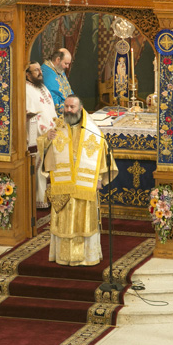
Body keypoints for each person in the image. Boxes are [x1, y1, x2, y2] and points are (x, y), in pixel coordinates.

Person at [41, 95, 117, 266]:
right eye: (66, 107)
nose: (68, 110)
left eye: (72, 107)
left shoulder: (92, 131)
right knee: (64, 220)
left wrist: (98, 179)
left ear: (80, 108)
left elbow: (101, 156)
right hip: (63, 184)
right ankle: (63, 256)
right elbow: (44, 148)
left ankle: (86, 257)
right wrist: (47, 139)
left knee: (84, 221)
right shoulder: (57, 128)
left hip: (85, 185)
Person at [25, 61, 57, 209]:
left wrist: (56, 126)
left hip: (52, 131)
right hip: (36, 135)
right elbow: (29, 115)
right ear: (27, 74)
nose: (40, 72)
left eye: (40, 70)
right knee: (39, 166)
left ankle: (50, 196)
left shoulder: (42, 86)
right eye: (36, 70)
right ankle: (40, 199)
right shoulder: (25, 89)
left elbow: (50, 108)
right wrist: (44, 131)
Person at [41, 48, 74, 115]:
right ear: (58, 59)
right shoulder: (47, 74)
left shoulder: (58, 69)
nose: (67, 67)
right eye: (66, 63)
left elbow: (68, 90)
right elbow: (52, 99)